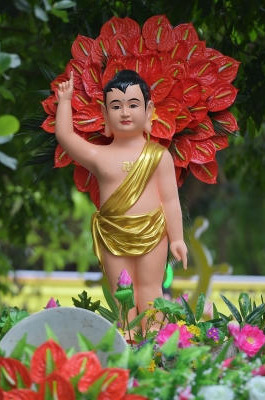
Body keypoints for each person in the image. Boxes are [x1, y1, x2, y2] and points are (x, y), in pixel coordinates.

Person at [55, 69, 188, 324]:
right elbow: (66, 137)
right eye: (116, 106)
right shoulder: (100, 156)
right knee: (122, 292)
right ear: (105, 114)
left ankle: (154, 338)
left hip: (152, 232)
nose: (125, 112)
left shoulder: (159, 156)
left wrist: (177, 239)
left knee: (150, 289)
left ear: (149, 111)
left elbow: (171, 201)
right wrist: (64, 101)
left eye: (133, 105)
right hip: (112, 233)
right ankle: (127, 338)